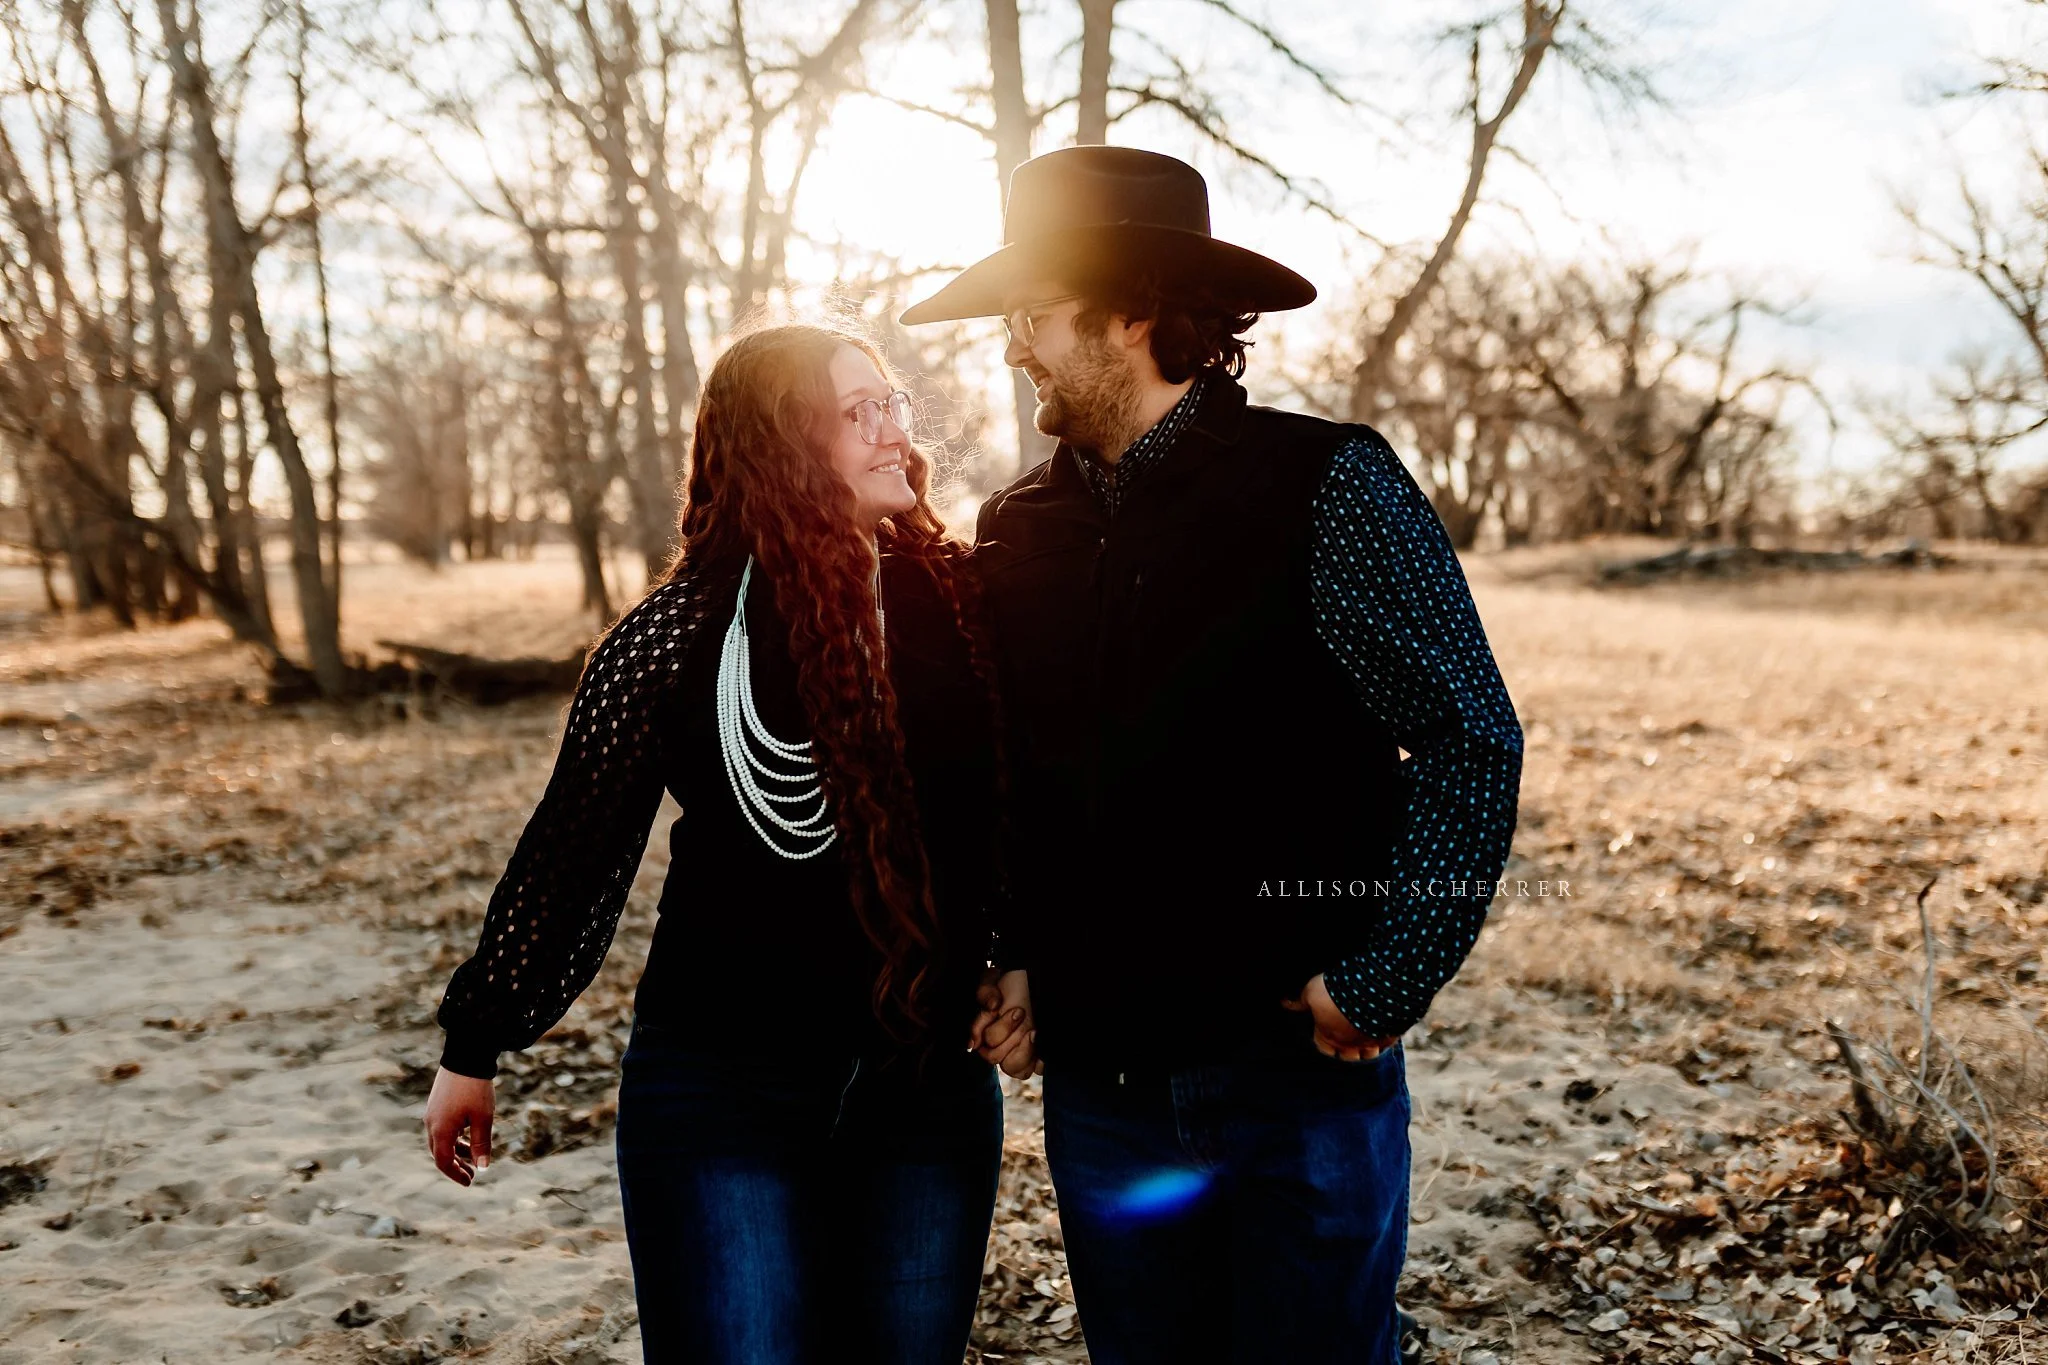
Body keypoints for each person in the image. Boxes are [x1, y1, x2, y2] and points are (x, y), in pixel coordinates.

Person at [899, 146, 1525, 1364]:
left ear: (1133, 310)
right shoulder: (1016, 529)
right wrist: (1017, 956)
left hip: (1290, 1077)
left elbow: (1468, 738)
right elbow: (1018, 778)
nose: (1013, 345)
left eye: (1032, 315)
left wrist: (1389, 974)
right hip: (1102, 1093)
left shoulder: (1324, 485)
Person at [422, 322, 1036, 1364]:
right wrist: (477, 1041)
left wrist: (1015, 959)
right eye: (858, 412)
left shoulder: (966, 605)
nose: (896, 431)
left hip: (923, 1085)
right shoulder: (675, 636)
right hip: (721, 1089)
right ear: (783, 447)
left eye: (890, 403)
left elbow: (1021, 806)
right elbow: (574, 849)